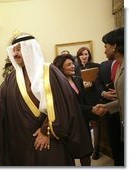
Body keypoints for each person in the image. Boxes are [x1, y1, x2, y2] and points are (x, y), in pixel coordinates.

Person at [0, 33, 93, 166]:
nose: (15, 54)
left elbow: (63, 105)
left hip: (49, 140)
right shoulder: (12, 77)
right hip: (23, 141)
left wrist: (46, 130)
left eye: (19, 49)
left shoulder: (50, 72)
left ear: (30, 49)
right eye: (13, 50)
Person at [53, 54, 106, 166]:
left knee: (85, 153)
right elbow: (71, 106)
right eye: (68, 64)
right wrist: (91, 109)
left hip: (82, 123)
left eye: (73, 63)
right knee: (68, 155)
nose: (73, 66)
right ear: (60, 67)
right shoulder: (57, 86)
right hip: (68, 124)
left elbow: (83, 102)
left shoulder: (78, 80)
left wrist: (93, 109)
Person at [95, 27, 124, 166]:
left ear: (115, 47)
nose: (104, 50)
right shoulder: (121, 66)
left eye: (106, 46)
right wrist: (106, 106)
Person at [76, 47, 101, 160]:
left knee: (96, 124)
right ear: (78, 56)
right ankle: (87, 148)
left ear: (89, 55)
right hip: (82, 100)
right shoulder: (76, 68)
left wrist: (92, 83)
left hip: (93, 98)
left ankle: (96, 150)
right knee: (84, 125)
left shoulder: (96, 66)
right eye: (81, 54)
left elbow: (100, 82)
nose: (84, 56)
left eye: (86, 54)